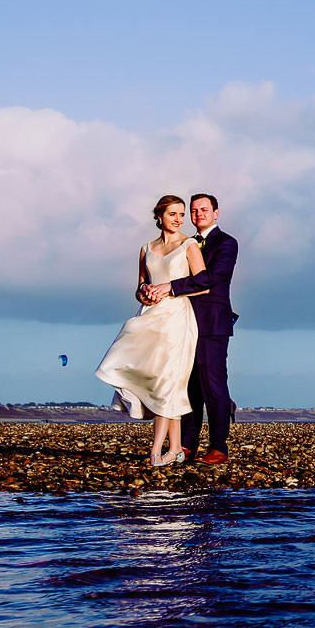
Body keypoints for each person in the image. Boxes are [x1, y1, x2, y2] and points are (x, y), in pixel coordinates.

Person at [96, 195, 203, 467]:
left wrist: (169, 288)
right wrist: (144, 293)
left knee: (169, 381)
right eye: (173, 214)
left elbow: (203, 284)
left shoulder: (189, 245)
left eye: (181, 214)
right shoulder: (146, 248)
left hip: (177, 317)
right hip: (149, 317)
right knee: (158, 379)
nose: (179, 219)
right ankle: (176, 447)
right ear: (159, 217)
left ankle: (157, 450)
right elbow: (140, 286)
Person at [140, 191, 239, 464]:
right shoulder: (183, 243)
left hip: (212, 324)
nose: (198, 215)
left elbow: (212, 278)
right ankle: (186, 444)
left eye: (204, 210)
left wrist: (169, 287)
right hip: (180, 321)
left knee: (213, 385)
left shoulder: (227, 243)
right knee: (186, 384)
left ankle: (219, 446)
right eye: (193, 211)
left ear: (216, 213)